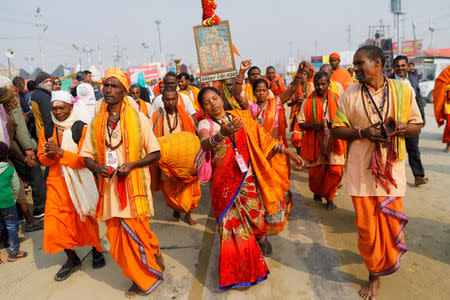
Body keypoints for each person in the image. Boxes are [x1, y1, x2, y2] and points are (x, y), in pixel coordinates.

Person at [332, 45, 423, 300]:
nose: (356, 68)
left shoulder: (403, 90)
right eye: (355, 64)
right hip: (361, 170)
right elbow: (337, 129)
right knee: (367, 228)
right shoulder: (350, 93)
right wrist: (363, 133)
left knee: (389, 223)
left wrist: (404, 128)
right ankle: (374, 272)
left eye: (360, 63)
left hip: (391, 168)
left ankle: (377, 273)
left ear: (378, 63)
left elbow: (418, 125)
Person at [197, 86, 303, 289]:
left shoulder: (240, 117)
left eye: (215, 98)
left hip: (247, 180)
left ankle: (262, 240)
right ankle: (238, 272)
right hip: (223, 187)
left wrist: (290, 154)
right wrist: (222, 134)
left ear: (221, 98)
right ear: (203, 108)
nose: (213, 104)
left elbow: (264, 139)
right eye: (207, 102)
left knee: (256, 218)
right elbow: (205, 144)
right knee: (230, 230)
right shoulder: (205, 123)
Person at [80, 67, 164, 298]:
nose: (108, 89)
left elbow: (156, 153)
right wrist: (97, 167)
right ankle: (149, 262)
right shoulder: (97, 123)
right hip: (109, 192)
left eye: (114, 85)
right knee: (117, 239)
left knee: (140, 236)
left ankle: (143, 276)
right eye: (105, 85)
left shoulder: (139, 120)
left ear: (124, 91)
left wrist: (133, 165)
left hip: (134, 190)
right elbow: (85, 156)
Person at [37, 90, 105, 281]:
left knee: (85, 218)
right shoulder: (47, 129)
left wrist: (61, 152)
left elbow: (86, 160)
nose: (58, 112)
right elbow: (42, 158)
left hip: (79, 182)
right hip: (56, 183)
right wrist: (50, 155)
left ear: (71, 107)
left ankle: (96, 250)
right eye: (54, 108)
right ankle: (72, 258)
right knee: (55, 223)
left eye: (62, 108)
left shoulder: (80, 128)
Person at [235, 60, 306, 234]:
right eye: (258, 90)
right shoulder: (251, 107)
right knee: (261, 186)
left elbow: (290, 91)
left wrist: (298, 74)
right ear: (254, 91)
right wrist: (241, 72)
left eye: (264, 90)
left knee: (277, 184)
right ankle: (262, 218)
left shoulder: (276, 103)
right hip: (259, 153)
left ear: (268, 92)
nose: (261, 93)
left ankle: (276, 218)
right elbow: (237, 96)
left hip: (277, 153)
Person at [151, 87, 199, 225]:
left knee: (188, 185)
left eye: (173, 99)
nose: (170, 102)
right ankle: (176, 208)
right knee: (169, 188)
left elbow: (192, 135)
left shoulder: (184, 115)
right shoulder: (155, 116)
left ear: (177, 99)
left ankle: (188, 213)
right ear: (162, 100)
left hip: (185, 158)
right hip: (166, 158)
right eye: (167, 99)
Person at [298, 71, 345, 210]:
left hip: (334, 141)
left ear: (329, 84)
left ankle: (329, 198)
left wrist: (335, 124)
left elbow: (346, 120)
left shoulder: (338, 100)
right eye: (317, 84)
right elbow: (301, 123)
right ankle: (318, 191)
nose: (320, 87)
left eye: (323, 84)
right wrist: (315, 125)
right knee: (316, 174)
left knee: (335, 171)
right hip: (315, 141)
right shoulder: (307, 102)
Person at [1, 82, 47, 220]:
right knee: (22, 185)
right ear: (7, 103)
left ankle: (21, 217)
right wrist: (26, 153)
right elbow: (10, 142)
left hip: (11, 155)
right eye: (13, 99)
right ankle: (32, 216)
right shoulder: (7, 118)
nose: (16, 102)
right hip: (13, 155)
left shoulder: (5, 115)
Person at [389, 55, 428, 185]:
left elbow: (419, 100)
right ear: (393, 68)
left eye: (403, 65)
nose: (400, 68)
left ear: (407, 66)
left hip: (410, 122)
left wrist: (422, 117)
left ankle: (418, 176)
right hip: (393, 122)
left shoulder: (413, 79)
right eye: (397, 66)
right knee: (392, 150)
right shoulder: (388, 81)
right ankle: (391, 178)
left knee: (413, 149)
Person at [0, 141, 28, 262]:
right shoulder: (10, 170)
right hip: (8, 203)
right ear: (6, 156)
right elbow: (16, 187)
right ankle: (14, 252)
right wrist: (14, 198)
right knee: (12, 227)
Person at [289, 63, 315, 154]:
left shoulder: (312, 86)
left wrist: (305, 101)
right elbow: (288, 103)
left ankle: (308, 156)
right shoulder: (293, 87)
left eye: (305, 74)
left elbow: (316, 101)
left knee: (309, 137)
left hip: (310, 115)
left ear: (308, 76)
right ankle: (299, 157)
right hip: (298, 115)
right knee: (297, 138)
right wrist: (296, 101)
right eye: (302, 74)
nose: (303, 76)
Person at [432, 65, 450, 152]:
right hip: (449, 105)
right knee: (449, 126)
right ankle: (448, 144)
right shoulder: (448, 70)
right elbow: (440, 82)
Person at [31, 72, 53, 139]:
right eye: (46, 81)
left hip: (40, 130)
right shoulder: (43, 96)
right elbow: (48, 118)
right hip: (46, 132)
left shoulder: (36, 94)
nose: (49, 83)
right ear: (39, 84)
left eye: (50, 81)